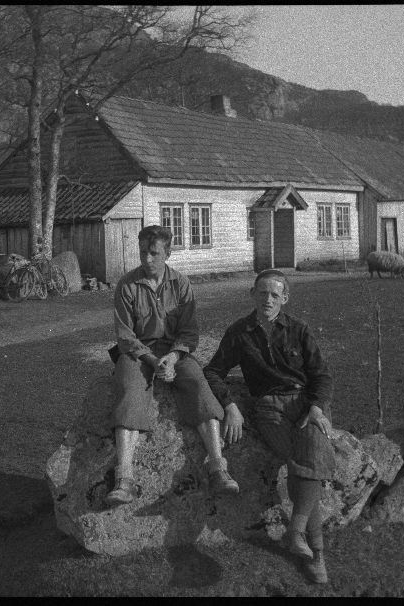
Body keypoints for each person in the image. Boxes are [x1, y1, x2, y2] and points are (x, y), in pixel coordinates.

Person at [202, 269, 337, 584]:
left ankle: (297, 533)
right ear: (252, 295)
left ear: (285, 298)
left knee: (307, 463)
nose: (268, 299)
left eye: (275, 294)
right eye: (262, 293)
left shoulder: (299, 330)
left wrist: (317, 407)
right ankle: (315, 554)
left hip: (307, 406)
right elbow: (213, 371)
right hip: (269, 409)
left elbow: (322, 375)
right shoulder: (239, 332)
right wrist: (230, 405)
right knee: (307, 467)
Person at [106, 225, 239, 506]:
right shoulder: (127, 285)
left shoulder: (181, 285)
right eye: (143, 253)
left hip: (175, 352)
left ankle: (218, 467)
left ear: (169, 252)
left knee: (198, 384)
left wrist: (174, 357)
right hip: (137, 354)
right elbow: (125, 335)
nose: (147, 260)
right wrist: (152, 361)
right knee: (129, 389)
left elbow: (189, 332)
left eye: (154, 253)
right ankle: (124, 479)